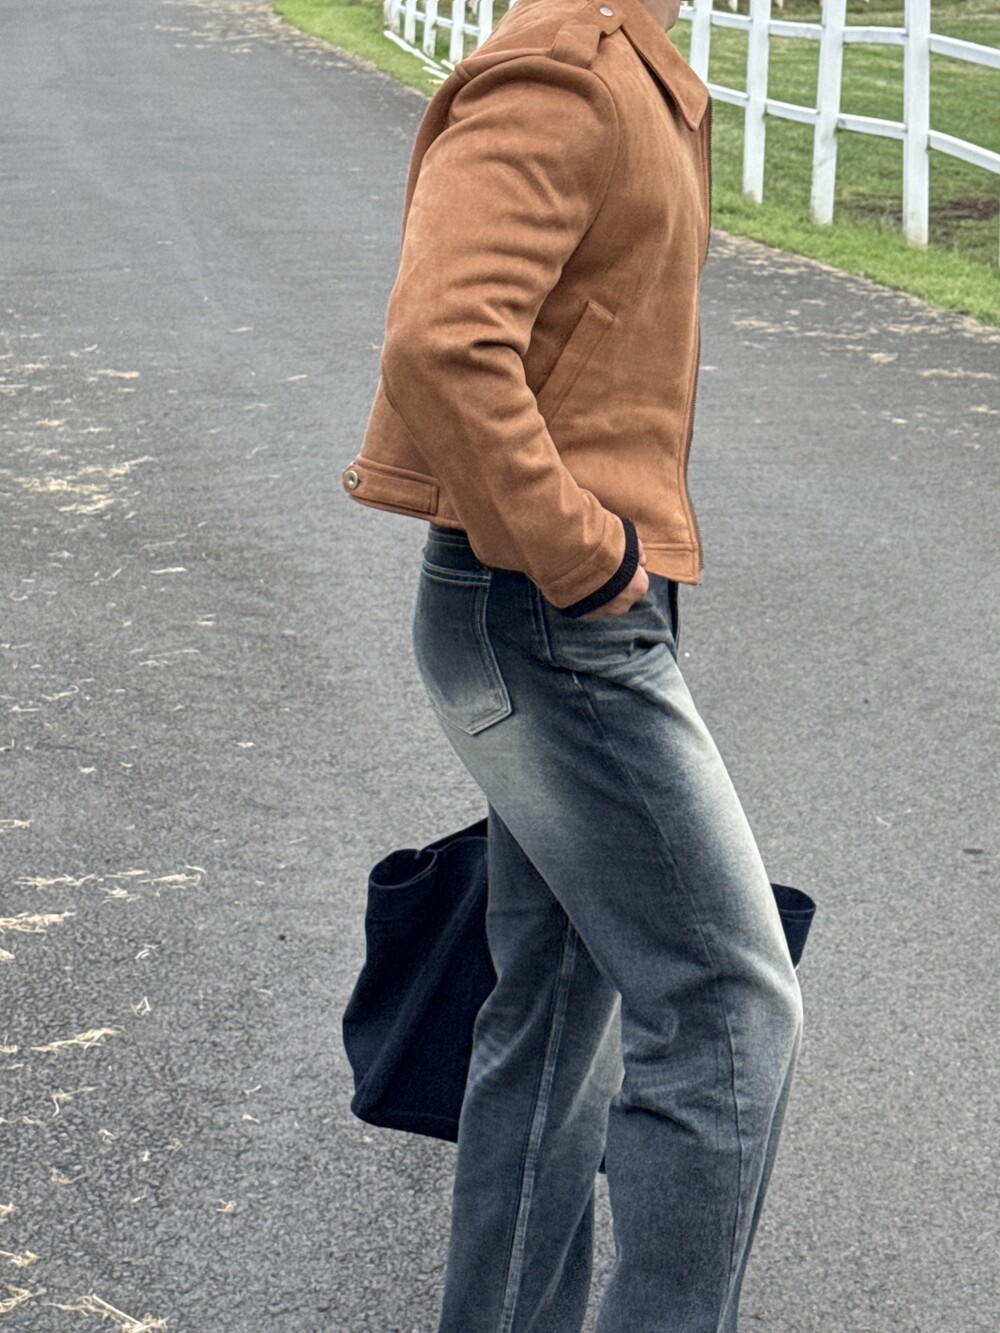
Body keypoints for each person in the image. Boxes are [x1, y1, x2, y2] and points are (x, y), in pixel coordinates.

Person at [341, 0, 804, 1326]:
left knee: (553, 1011)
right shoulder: (566, 70)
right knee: (727, 1007)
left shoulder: (632, 68)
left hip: (557, 602)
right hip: (549, 611)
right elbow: (443, 338)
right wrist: (585, 557)